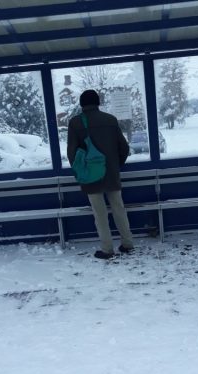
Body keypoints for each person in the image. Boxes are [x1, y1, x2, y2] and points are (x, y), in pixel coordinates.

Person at [67, 89, 135, 259]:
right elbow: (124, 148)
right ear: (98, 102)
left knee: (100, 213)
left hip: (91, 175)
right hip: (111, 173)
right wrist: (115, 165)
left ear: (82, 104)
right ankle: (127, 244)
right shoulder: (111, 120)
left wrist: (81, 171)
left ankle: (107, 249)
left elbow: (72, 153)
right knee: (119, 208)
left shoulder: (75, 123)